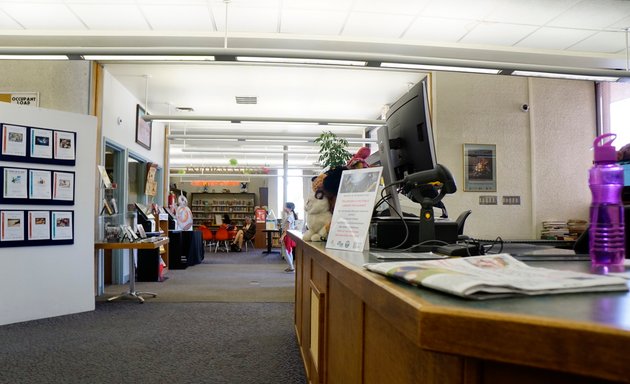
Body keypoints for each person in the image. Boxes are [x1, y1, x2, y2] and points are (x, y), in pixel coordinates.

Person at [280, 202, 297, 272]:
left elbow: (287, 228)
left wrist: (282, 237)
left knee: (286, 251)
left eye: (285, 207)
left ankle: (291, 267)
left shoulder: (289, 217)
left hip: (287, 235)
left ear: (289, 208)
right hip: (289, 235)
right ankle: (291, 266)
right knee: (289, 251)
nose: (284, 208)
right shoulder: (291, 215)